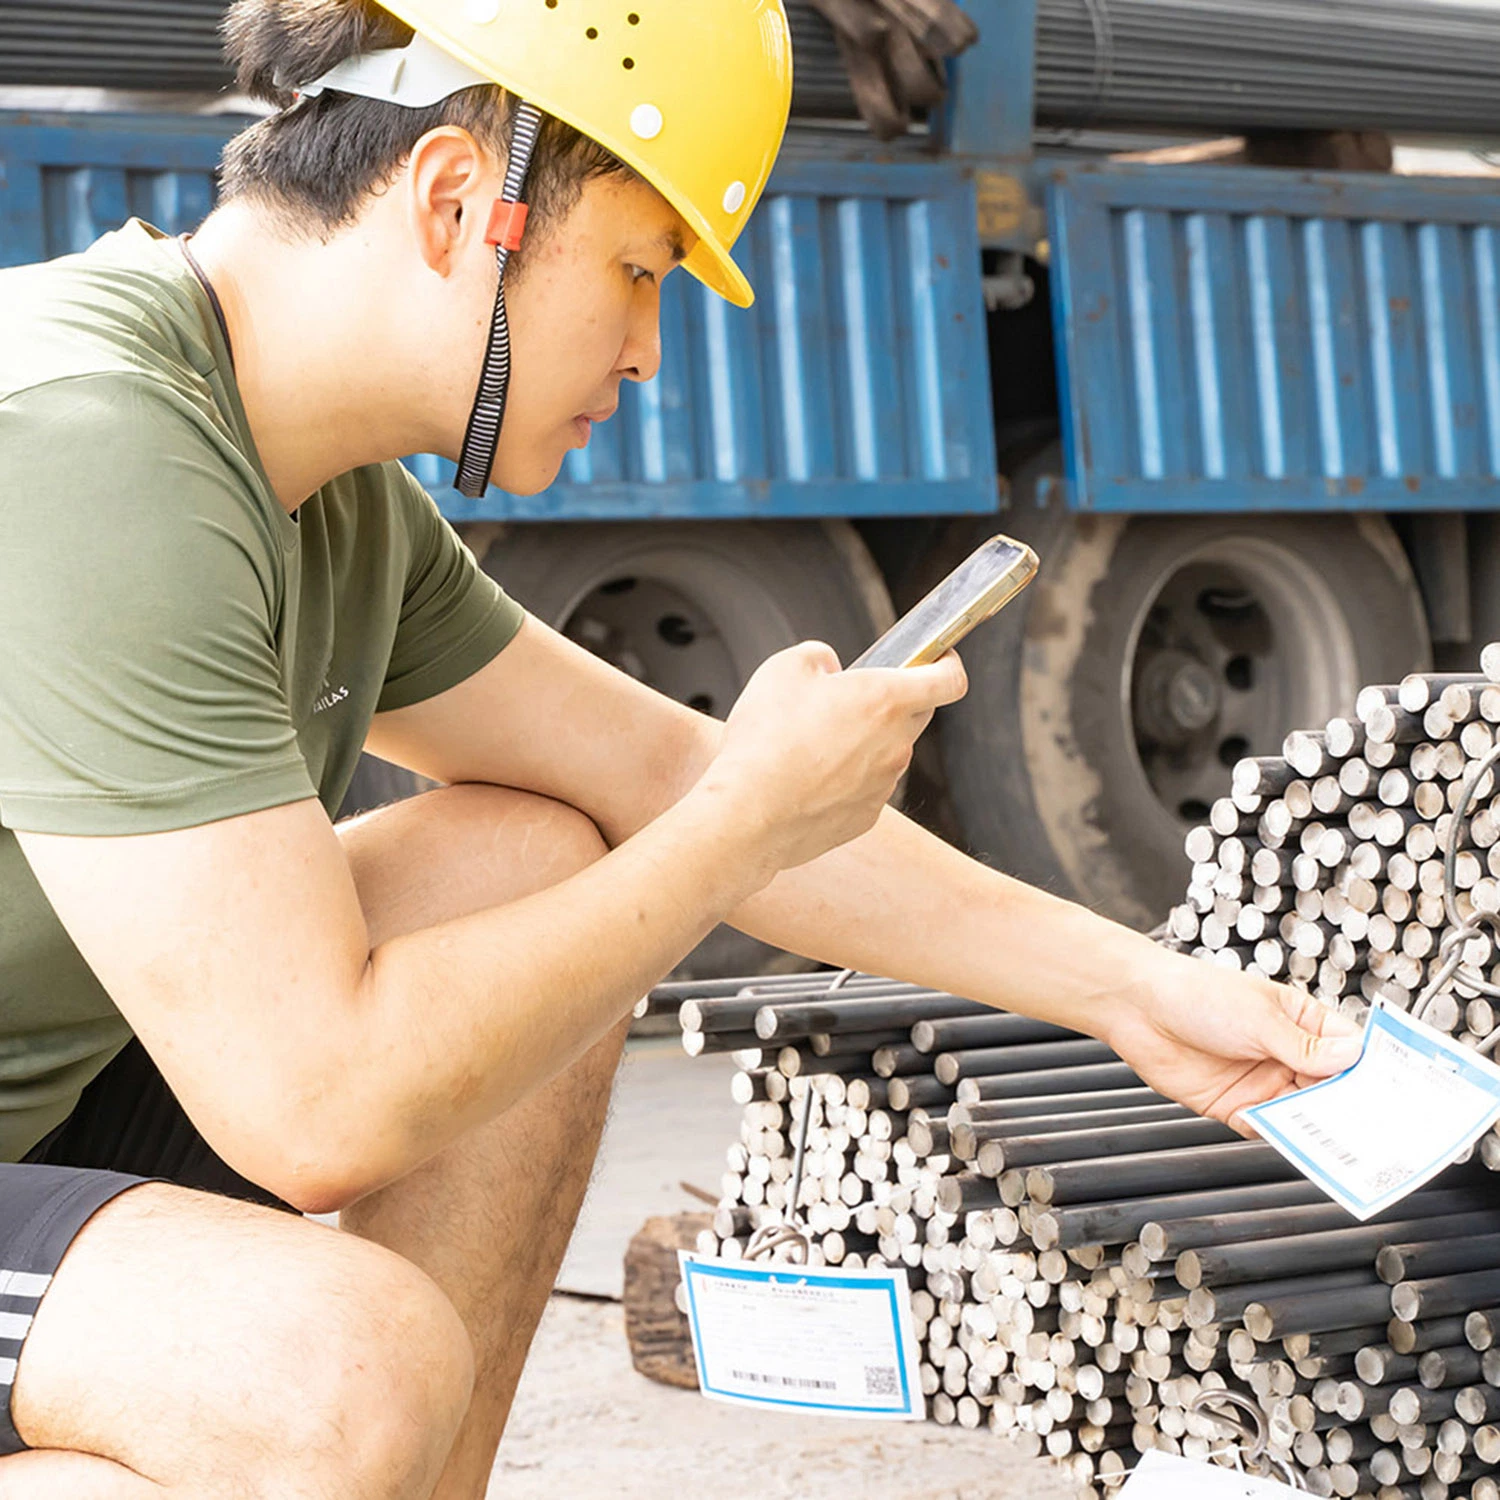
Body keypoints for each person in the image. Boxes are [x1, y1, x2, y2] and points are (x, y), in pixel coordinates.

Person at [0, 0, 1360, 1493]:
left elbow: (662, 774)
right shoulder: (84, 440)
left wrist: (1136, 993)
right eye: (637, 272)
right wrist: (740, 831)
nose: (648, 351)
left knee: (522, 858)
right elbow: (316, 1104)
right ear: (458, 200)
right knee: (327, 1368)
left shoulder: (330, 504)